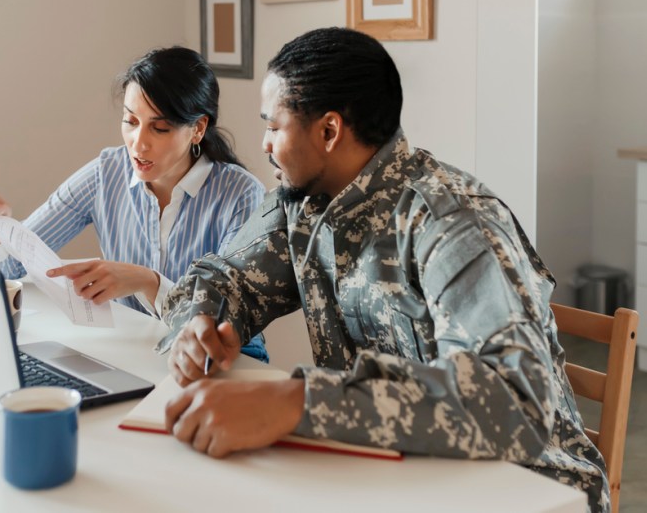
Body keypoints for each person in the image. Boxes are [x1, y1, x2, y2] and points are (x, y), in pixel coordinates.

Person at [158, 28, 609, 512]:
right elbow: (225, 278)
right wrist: (198, 324)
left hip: (525, 491)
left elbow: (512, 402)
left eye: (274, 126)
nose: (264, 145)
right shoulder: (303, 203)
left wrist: (297, 402)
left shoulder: (454, 221)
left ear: (329, 131)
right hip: (390, 477)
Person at [0, 46, 268, 361]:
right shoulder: (106, 172)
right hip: (140, 352)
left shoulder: (241, 194)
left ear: (198, 129)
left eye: (159, 128)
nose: (138, 143)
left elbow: (227, 321)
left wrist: (147, 282)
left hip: (225, 362)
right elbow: (9, 269)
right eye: (131, 121)